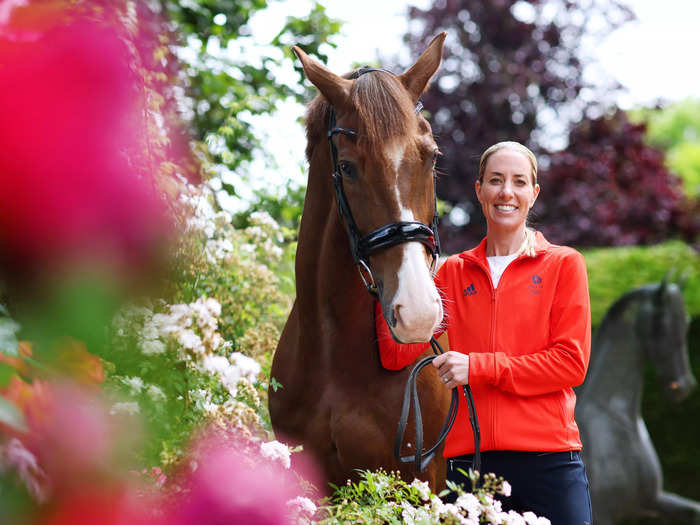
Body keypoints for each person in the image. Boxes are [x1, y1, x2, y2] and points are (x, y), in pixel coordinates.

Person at [375, 141, 593, 524]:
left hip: (549, 464)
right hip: (468, 469)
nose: (506, 192)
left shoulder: (564, 264)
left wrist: (478, 367)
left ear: (533, 193)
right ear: (479, 190)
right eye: (495, 180)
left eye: (518, 182)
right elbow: (397, 353)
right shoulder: (449, 273)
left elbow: (570, 364)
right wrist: (393, 275)